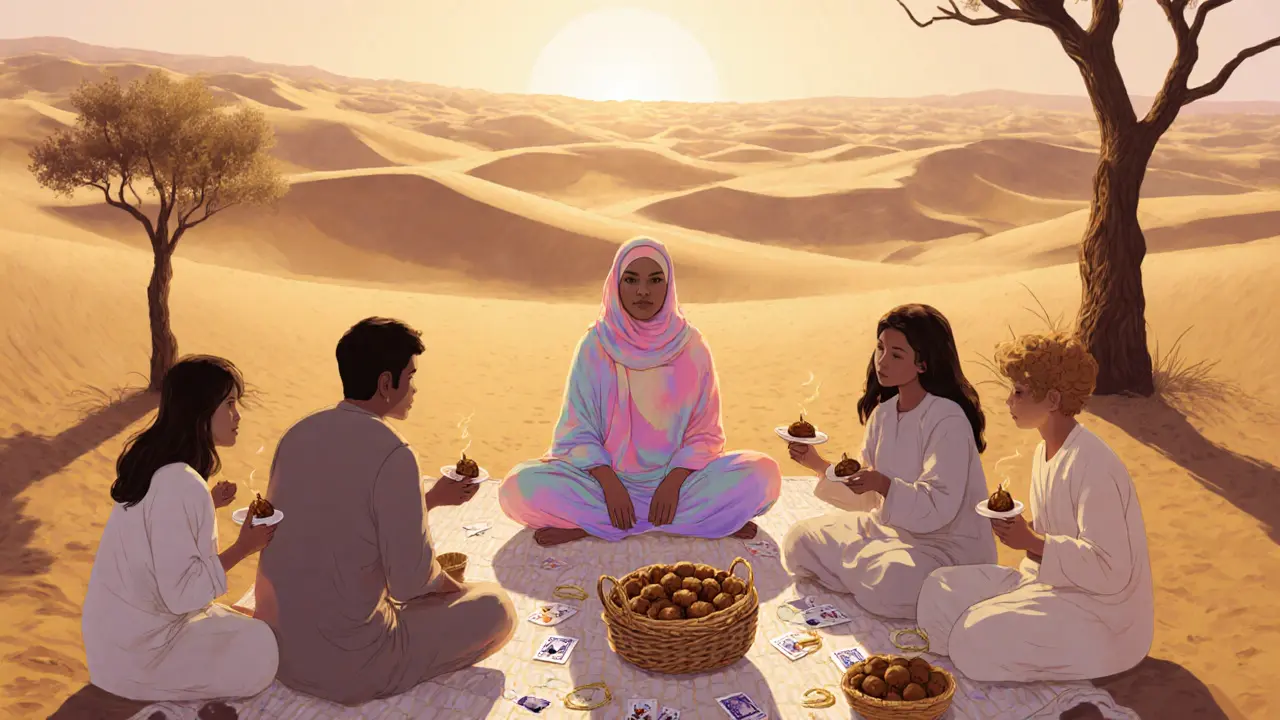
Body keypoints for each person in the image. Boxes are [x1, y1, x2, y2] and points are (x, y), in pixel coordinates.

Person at [253, 317, 516, 705]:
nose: (414, 388)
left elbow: (339, 520)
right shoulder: (394, 451)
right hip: (351, 666)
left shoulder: (298, 434)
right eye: (409, 376)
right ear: (385, 383)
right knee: (495, 606)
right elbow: (411, 582)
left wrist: (430, 501)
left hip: (279, 652)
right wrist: (452, 589)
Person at [499, 236, 782, 547]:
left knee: (764, 474)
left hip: (681, 484)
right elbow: (578, 431)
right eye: (631, 280)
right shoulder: (595, 344)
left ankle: (596, 525)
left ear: (669, 285)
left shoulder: (692, 346)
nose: (643, 291)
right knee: (516, 487)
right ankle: (703, 522)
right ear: (615, 285)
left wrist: (673, 483)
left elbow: (705, 433)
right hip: (602, 483)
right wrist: (610, 486)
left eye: (655, 280)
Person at [915, 332, 1153, 682]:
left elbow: (1110, 570)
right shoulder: (1045, 452)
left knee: (972, 635)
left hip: (1103, 619)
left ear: (1053, 399)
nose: (1009, 400)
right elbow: (1047, 541)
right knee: (938, 590)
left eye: (1019, 392)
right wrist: (1022, 532)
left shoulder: (1094, 464)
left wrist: (1032, 542)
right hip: (1045, 586)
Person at [81, 356, 279, 702]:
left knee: (240, 626)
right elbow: (183, 596)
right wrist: (243, 548)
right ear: (200, 411)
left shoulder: (157, 470)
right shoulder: (181, 483)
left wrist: (207, 505)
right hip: (138, 659)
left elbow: (159, 533)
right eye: (229, 404)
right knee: (263, 646)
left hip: (112, 649)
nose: (238, 416)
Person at [781, 304, 997, 619]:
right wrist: (817, 464)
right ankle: (863, 573)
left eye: (896, 354)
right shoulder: (884, 414)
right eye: (880, 348)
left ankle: (866, 576)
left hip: (945, 552)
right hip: (888, 534)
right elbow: (867, 497)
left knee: (891, 581)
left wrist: (885, 484)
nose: (882, 361)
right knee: (799, 540)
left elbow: (939, 505)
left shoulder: (947, 419)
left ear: (923, 363)